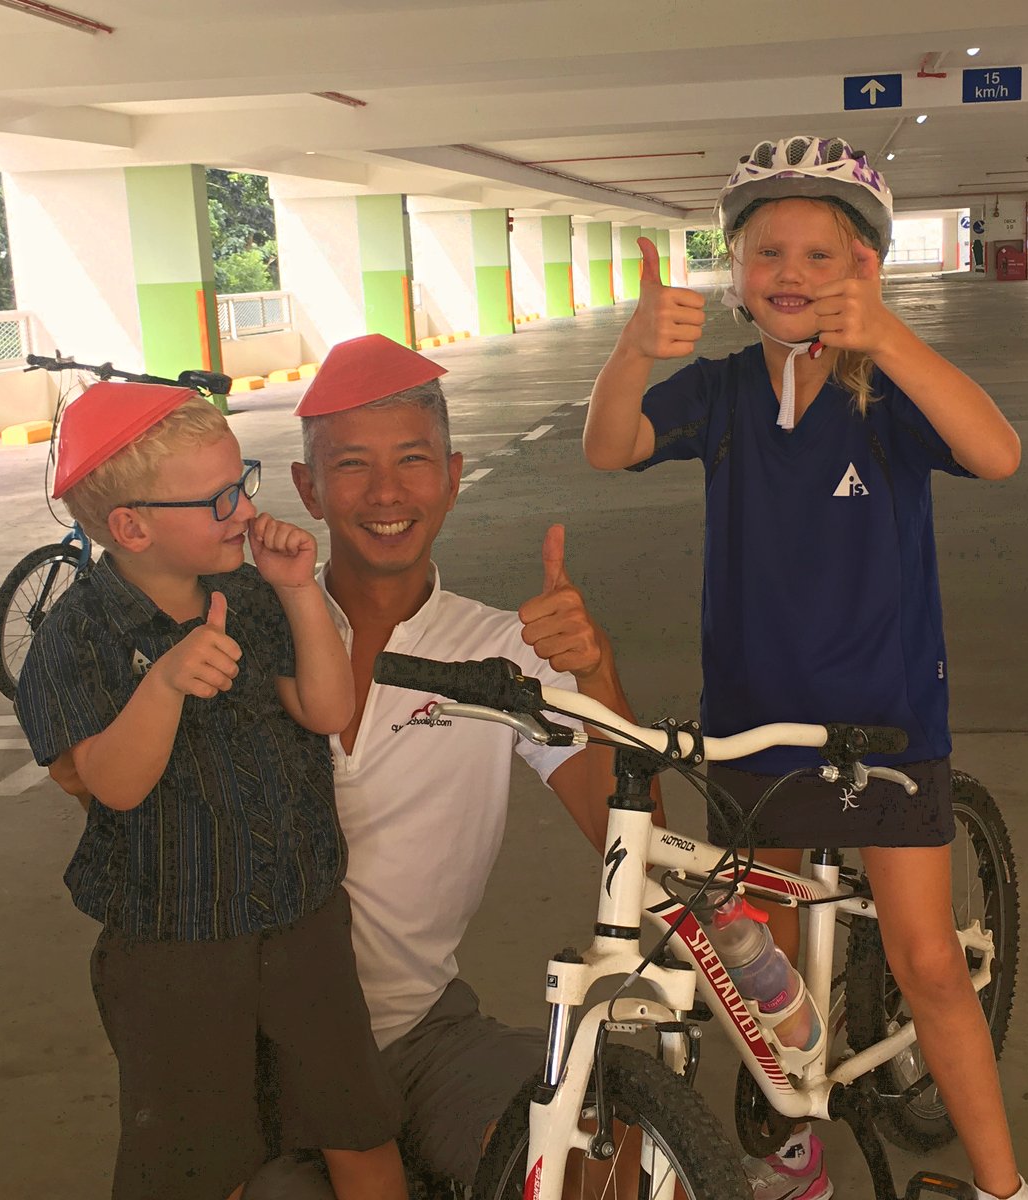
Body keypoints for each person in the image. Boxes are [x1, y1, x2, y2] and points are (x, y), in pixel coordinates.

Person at [581, 135, 1028, 1200]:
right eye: (766, 250)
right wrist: (632, 352)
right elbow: (611, 445)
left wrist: (893, 336)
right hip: (755, 726)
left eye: (822, 254)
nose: (791, 272)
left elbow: (997, 451)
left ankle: (1004, 1186)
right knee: (762, 976)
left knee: (927, 965)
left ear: (864, 269)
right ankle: (797, 1135)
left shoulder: (887, 392)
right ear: (734, 272)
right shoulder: (725, 392)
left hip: (883, 725)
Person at [244, 335, 638, 1196]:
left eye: (412, 461)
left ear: (452, 475)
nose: (387, 494)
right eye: (351, 465)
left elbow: (622, 830)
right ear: (307, 487)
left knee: (595, 1165)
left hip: (424, 1033)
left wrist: (597, 675)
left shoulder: (502, 652)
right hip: (262, 1047)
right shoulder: (246, 638)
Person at [14, 382, 407, 1200]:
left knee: (357, 1125)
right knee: (199, 1163)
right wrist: (160, 688)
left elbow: (330, 710)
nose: (243, 510)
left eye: (245, 482)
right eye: (220, 497)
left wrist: (300, 591)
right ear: (132, 527)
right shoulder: (76, 637)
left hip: (301, 919)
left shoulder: (255, 596)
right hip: (174, 948)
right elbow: (111, 787)